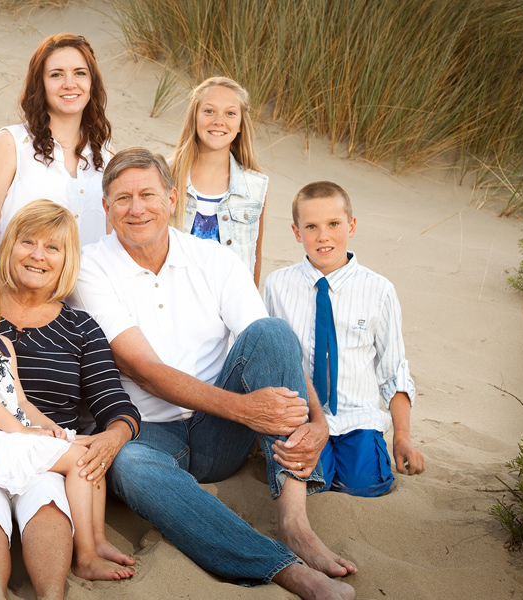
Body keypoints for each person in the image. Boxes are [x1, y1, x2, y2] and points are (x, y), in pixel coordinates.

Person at [70, 147, 356, 600]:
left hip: (221, 434)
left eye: (148, 194)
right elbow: (142, 370)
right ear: (106, 209)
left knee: (272, 330)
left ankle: (295, 522)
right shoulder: (89, 267)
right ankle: (278, 567)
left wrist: (318, 420)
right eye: (122, 199)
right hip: (145, 433)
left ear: (171, 198)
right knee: (128, 466)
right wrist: (245, 408)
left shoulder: (214, 259)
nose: (137, 208)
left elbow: (272, 348)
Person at [0, 201, 140, 599]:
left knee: (55, 490)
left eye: (53, 247)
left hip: (28, 446)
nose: (37, 254)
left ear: (67, 259)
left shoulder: (78, 328)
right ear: (8, 246)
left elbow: (113, 403)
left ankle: (61, 581)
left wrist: (109, 435)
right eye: (27, 241)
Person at [263, 181, 424, 496]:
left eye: (333, 224)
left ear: (351, 225)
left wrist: (401, 436)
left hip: (357, 419)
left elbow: (394, 372)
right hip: (304, 417)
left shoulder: (379, 290)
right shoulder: (278, 285)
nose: (323, 236)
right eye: (311, 226)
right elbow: (272, 359)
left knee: (363, 486)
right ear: (297, 232)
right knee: (312, 487)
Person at [0, 34, 113, 247]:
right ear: (39, 84)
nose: (70, 84)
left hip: (88, 280)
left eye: (80, 73)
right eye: (56, 75)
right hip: (16, 279)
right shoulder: (12, 144)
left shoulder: (108, 156)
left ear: (92, 82)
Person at [169, 77, 268, 286]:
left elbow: (254, 259)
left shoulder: (255, 187)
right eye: (209, 111)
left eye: (230, 113)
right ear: (194, 117)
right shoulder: (164, 174)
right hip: (172, 303)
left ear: (240, 124)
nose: (218, 121)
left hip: (227, 310)